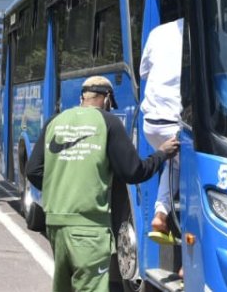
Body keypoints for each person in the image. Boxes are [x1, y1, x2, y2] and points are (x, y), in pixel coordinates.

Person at [26, 76, 178, 292]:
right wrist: (162, 153)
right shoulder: (108, 122)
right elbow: (133, 171)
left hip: (55, 225)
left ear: (82, 97)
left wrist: (63, 189)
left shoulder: (54, 121)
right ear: (106, 99)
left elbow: (33, 171)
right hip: (89, 228)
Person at [138, 19, 184, 246]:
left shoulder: (158, 31)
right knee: (195, 180)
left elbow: (144, 72)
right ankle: (189, 261)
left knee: (173, 165)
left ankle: (160, 215)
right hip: (173, 122)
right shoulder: (200, 31)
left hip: (151, 122)